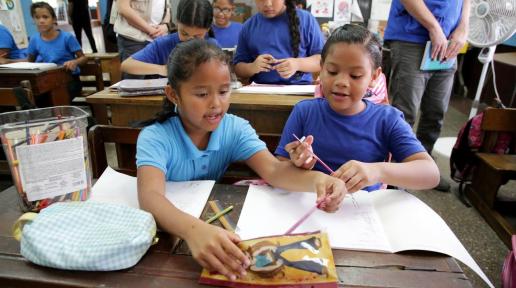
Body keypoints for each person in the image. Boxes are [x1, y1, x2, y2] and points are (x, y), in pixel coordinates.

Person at [136, 39, 346, 280]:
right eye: (202, 93)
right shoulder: (155, 137)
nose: (216, 104)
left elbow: (275, 171)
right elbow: (150, 197)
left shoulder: (233, 129)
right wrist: (193, 231)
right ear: (173, 94)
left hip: (211, 231)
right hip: (166, 245)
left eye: (224, 91)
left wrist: (320, 180)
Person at [275, 24, 440, 193]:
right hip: (310, 206)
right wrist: (298, 165)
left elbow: (430, 173)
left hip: (362, 212)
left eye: (355, 76)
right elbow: (279, 168)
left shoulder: (387, 119)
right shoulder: (304, 111)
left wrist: (376, 171)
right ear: (322, 68)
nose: (341, 82)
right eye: (332, 71)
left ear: (374, 77)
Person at [384, 0, 470, 192]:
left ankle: (423, 168)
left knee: (436, 111)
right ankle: (394, 173)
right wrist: (434, 27)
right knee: (405, 113)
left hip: (449, 43)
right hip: (412, 38)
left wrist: (463, 28)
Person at [233, 0, 324, 85]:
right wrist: (253, 67)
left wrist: (298, 64)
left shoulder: (306, 19)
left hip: (300, 91)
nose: (267, 4)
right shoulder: (249, 26)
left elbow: (322, 60)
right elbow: (238, 68)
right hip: (260, 92)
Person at [121, 0, 219, 77]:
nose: (190, 40)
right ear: (177, 22)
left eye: (197, 36)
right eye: (184, 33)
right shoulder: (163, 44)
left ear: (208, 29)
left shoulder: (212, 46)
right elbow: (126, 65)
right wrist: (164, 69)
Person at [28, 2, 87, 100]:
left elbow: (84, 58)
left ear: (54, 19)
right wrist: (9, 62)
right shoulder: (34, 39)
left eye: (45, 17)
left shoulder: (67, 37)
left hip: (69, 79)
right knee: (36, 96)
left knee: (57, 96)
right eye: (37, 17)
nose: (41, 21)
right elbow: (29, 62)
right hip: (47, 80)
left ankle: (61, 114)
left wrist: (75, 62)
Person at [112, 0, 172, 78]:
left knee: (158, 82)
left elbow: (167, 6)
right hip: (134, 38)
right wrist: (149, 29)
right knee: (134, 84)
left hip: (158, 38)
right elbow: (123, 8)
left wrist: (165, 25)